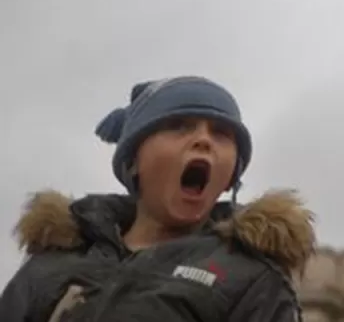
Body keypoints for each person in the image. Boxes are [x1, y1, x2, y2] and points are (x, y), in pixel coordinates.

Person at [0, 76, 316, 321]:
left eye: (220, 134)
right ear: (133, 161)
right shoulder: (48, 267)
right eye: (179, 126)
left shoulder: (252, 280)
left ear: (230, 177)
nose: (203, 140)